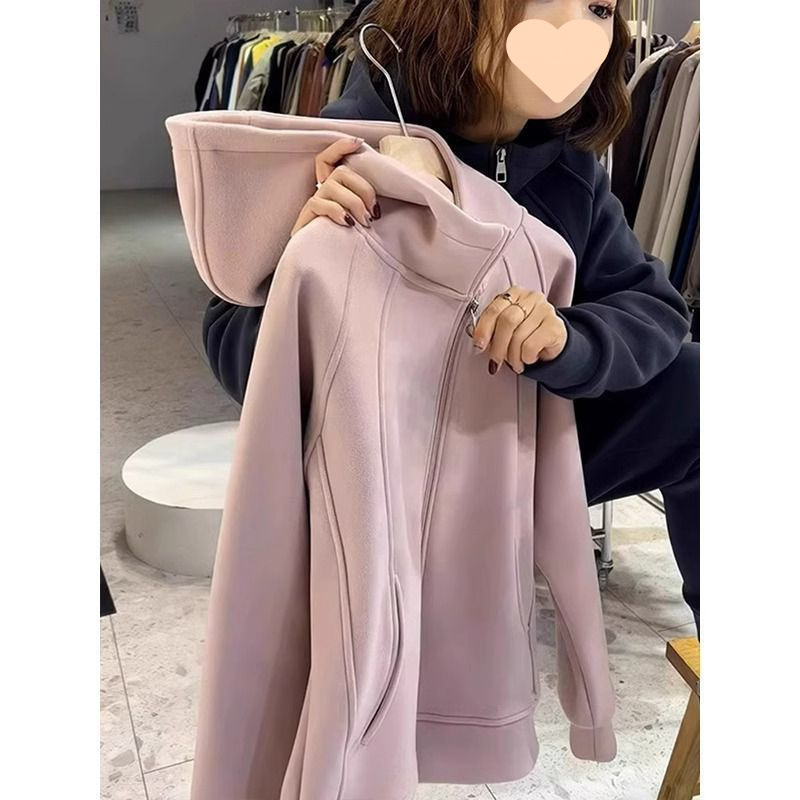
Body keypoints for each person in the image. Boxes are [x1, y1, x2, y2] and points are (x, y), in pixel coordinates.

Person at [201, 0, 700, 635]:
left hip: (516, 451)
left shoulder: (568, 169)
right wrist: (302, 272)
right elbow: (233, 348)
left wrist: (567, 339)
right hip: (380, 474)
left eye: (600, 8)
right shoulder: (337, 155)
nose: (576, 31)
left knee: (702, 392)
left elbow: (653, 308)